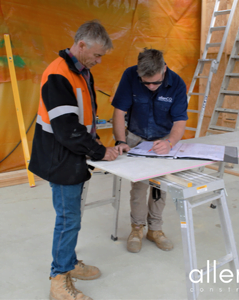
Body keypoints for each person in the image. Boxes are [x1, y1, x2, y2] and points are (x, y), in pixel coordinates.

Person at [29, 20, 119, 300]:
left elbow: (83, 117)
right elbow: (67, 128)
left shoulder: (81, 71)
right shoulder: (59, 75)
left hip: (71, 154)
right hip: (60, 158)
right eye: (97, 54)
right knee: (68, 220)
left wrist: (94, 144)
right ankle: (59, 279)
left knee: (72, 217)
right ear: (81, 45)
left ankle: (69, 261)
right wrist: (99, 152)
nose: (99, 60)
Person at [112, 48, 188, 253]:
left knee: (159, 187)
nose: (152, 87)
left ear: (164, 69)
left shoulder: (177, 84)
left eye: (156, 82)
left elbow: (180, 121)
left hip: (163, 141)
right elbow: (119, 112)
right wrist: (120, 140)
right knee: (138, 187)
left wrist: (170, 143)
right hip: (136, 138)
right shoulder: (129, 75)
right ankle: (136, 228)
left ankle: (155, 229)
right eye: (146, 83)